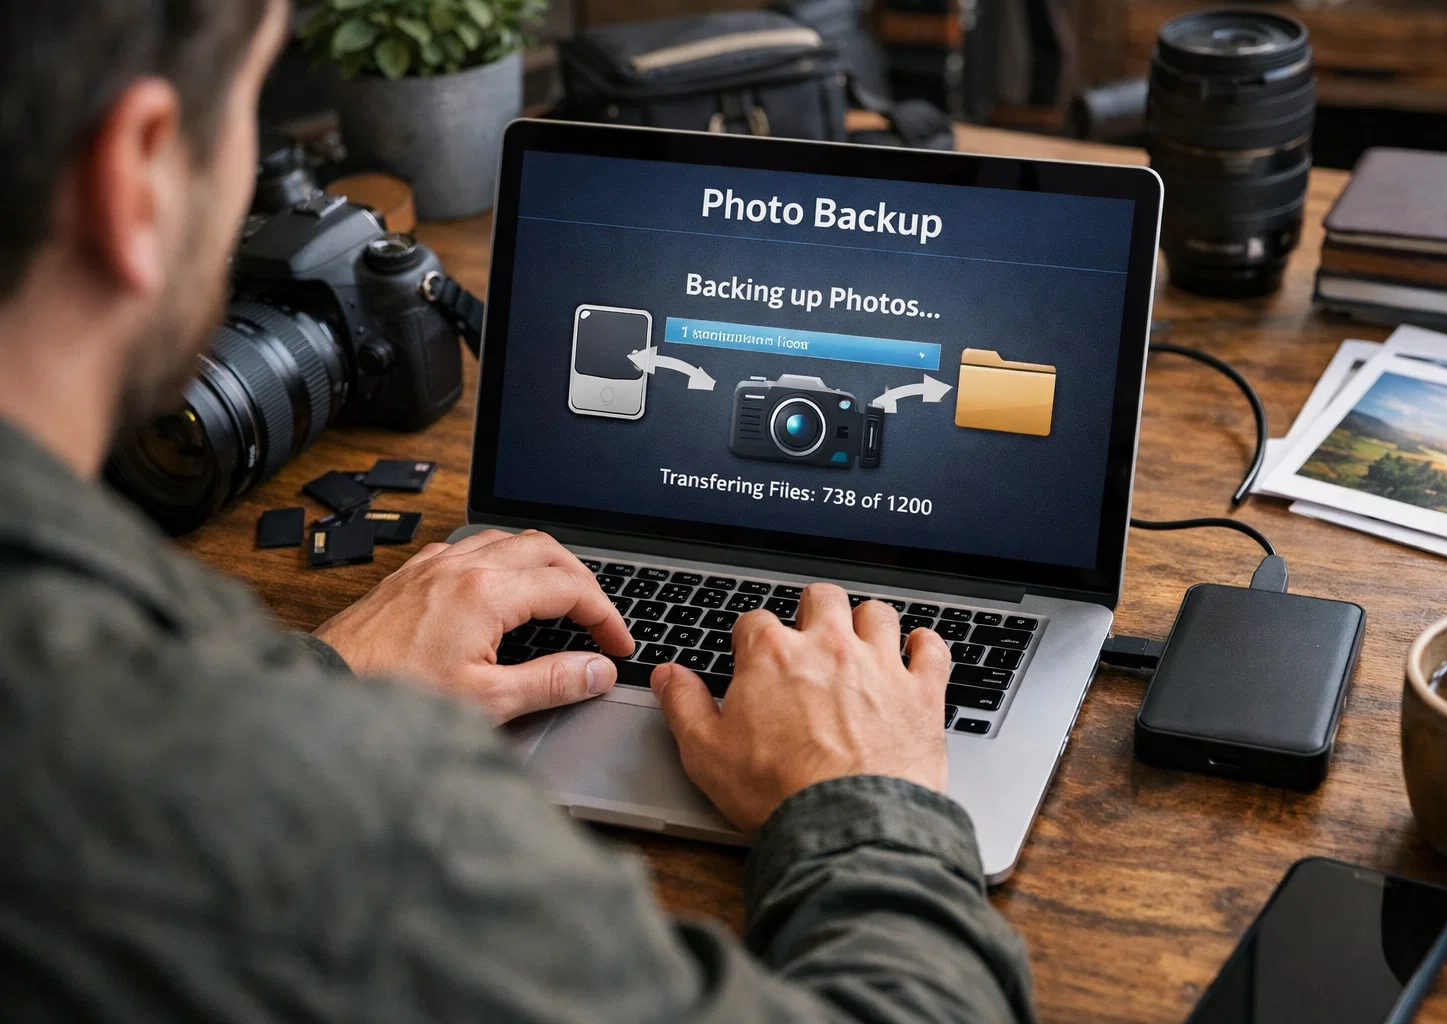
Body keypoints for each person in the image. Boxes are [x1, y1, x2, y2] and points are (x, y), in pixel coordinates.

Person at [0, 3, 1037, 1022]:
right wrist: (868, 800)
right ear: (135, 174)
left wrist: (324, 679)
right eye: (249, 112)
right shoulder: (350, 826)